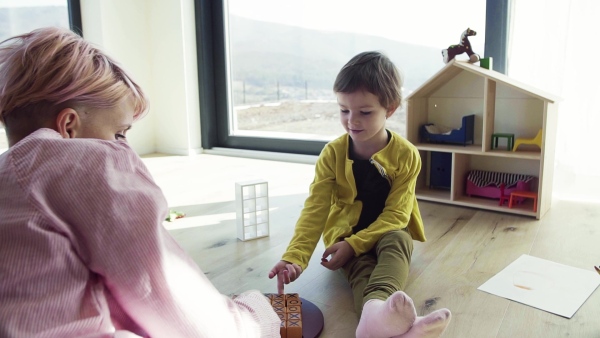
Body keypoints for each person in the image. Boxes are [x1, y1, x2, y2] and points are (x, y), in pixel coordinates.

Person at [0, 27, 279, 337]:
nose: (125, 149)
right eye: (119, 134)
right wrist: (257, 317)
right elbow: (166, 294)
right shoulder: (83, 163)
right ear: (68, 127)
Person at [268, 51, 451, 338]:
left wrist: (356, 244)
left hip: (389, 229)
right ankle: (375, 321)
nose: (352, 120)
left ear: (390, 109)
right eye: (344, 110)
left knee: (399, 243)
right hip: (346, 234)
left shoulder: (407, 156)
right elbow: (315, 209)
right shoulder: (332, 154)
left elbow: (397, 215)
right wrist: (295, 257)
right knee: (360, 269)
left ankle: (377, 318)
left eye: (365, 112)